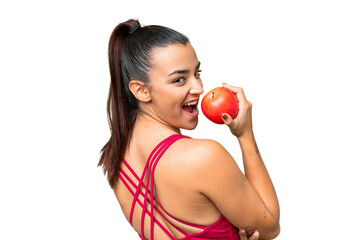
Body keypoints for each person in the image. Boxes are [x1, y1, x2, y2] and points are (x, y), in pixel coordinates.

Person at [98, 19, 280, 240]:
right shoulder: (203, 157)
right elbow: (269, 228)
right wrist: (245, 135)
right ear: (141, 91)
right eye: (179, 79)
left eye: (197, 73)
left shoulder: (116, 158)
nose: (199, 88)